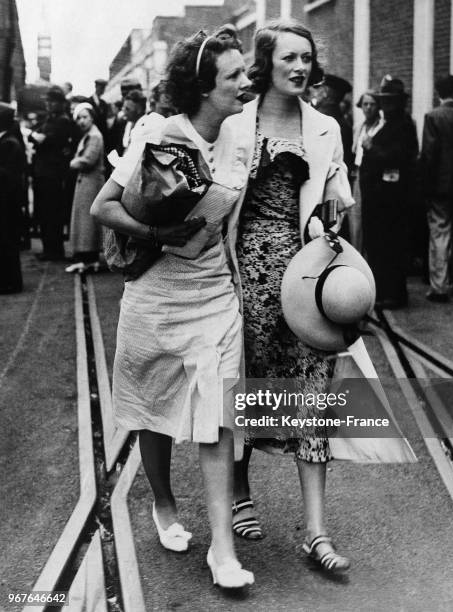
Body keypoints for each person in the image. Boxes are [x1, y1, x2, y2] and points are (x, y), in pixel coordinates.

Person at [91, 31, 255, 589]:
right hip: (157, 294)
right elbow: (102, 206)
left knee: (218, 418)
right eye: (233, 76)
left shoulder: (239, 134)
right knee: (153, 407)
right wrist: (156, 230)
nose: (244, 82)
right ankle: (163, 504)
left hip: (214, 296)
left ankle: (223, 553)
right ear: (203, 87)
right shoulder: (162, 134)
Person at [228, 21, 354, 571]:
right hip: (245, 277)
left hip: (308, 278)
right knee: (251, 384)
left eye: (306, 58)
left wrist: (335, 199)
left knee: (313, 393)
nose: (300, 68)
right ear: (265, 63)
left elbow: (340, 184)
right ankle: (237, 492)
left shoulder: (325, 126)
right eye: (289, 58)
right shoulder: (236, 125)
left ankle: (316, 532)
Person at [359, 77, 418, 309]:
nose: (386, 105)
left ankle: (392, 294)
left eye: (390, 101)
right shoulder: (391, 123)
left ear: (399, 102)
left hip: (391, 199)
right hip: (382, 197)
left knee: (389, 247)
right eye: (385, 100)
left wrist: (372, 148)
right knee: (381, 246)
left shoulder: (402, 125)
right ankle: (384, 292)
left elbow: (400, 157)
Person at [420, 74, 453, 302]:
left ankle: (439, 286)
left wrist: (425, 186)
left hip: (439, 187)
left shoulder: (433, 117)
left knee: (439, 235)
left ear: (438, 93)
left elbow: (429, 156)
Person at [30, 86, 76, 261]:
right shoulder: (49, 119)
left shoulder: (63, 121)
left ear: (61, 103)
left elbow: (50, 139)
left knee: (52, 212)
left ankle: (54, 250)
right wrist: (39, 138)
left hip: (53, 174)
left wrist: (41, 138)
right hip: (42, 171)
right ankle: (48, 247)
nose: (48, 104)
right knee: (43, 211)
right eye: (47, 101)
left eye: (52, 101)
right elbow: (33, 136)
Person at [65, 103, 104, 272]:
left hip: (91, 182)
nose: (81, 121)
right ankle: (87, 258)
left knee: (87, 221)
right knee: (85, 221)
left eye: (84, 117)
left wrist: (72, 162)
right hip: (87, 181)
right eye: (79, 118)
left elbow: (88, 160)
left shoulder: (94, 136)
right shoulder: (89, 134)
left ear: (92, 117)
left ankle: (89, 258)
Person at [351, 90, 384, 253]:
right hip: (358, 174)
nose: (369, 108)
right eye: (365, 104)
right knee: (356, 218)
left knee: (371, 218)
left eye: (372, 104)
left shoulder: (382, 126)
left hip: (374, 178)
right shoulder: (359, 127)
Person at [0, 103, 25, 294]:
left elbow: (9, 175)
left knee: (7, 242)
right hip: (7, 201)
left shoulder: (9, 143)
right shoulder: (8, 141)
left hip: (7, 203)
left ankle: (10, 283)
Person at [309, 74, 353, 170]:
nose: (314, 93)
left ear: (325, 92)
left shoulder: (319, 119)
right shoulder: (341, 120)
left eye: (318, 88)